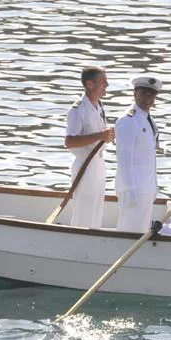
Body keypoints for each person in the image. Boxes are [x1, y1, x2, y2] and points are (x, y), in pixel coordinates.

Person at [63, 65, 115, 228]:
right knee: (84, 212)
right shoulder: (78, 109)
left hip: (98, 164)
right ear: (90, 84)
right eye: (103, 82)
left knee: (97, 209)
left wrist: (109, 136)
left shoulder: (98, 105)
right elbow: (70, 141)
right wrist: (100, 136)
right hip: (85, 165)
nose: (107, 85)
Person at [115, 75, 163, 233]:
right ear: (135, 93)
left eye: (151, 95)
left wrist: (153, 187)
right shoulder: (128, 120)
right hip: (133, 188)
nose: (148, 99)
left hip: (146, 187)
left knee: (141, 231)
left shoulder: (148, 120)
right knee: (128, 233)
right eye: (144, 94)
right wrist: (131, 190)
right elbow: (124, 159)